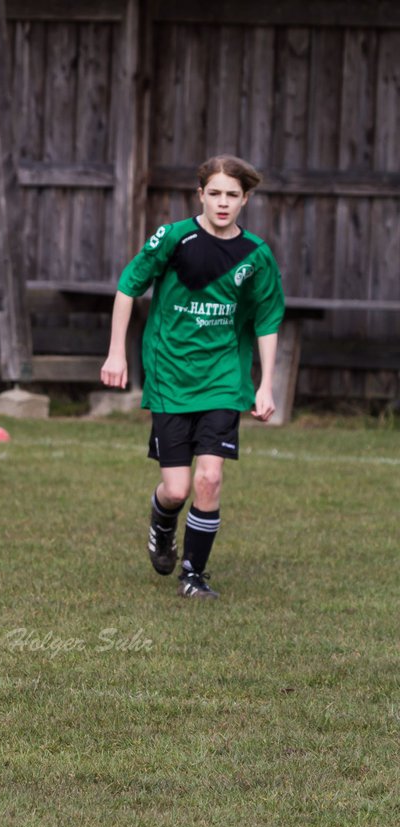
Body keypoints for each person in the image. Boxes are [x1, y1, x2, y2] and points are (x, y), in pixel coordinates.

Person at [101, 154, 284, 599]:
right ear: (200, 194)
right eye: (215, 193)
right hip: (170, 374)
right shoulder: (174, 237)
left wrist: (265, 384)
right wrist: (116, 354)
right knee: (177, 488)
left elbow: (267, 319)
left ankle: (193, 576)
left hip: (223, 376)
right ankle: (162, 525)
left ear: (246, 199)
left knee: (209, 479)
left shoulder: (256, 255)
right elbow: (129, 286)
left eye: (233, 195)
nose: (223, 203)